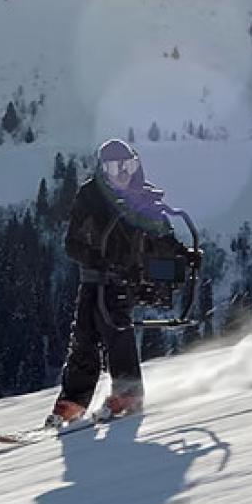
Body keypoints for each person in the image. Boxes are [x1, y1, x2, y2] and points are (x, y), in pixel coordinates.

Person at [49, 139, 197, 426]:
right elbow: (73, 243)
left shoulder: (142, 197)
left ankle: (128, 392)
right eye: (115, 167)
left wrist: (183, 254)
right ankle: (74, 401)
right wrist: (96, 258)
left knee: (115, 324)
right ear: (104, 170)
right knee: (84, 337)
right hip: (95, 275)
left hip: (125, 277)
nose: (122, 174)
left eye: (128, 166)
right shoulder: (91, 196)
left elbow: (161, 235)